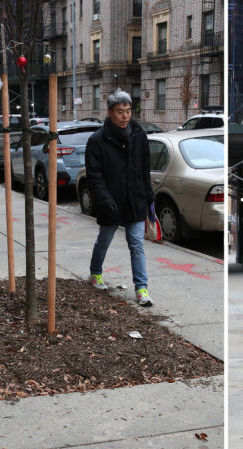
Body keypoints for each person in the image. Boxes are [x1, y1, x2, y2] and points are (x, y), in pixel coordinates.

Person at [85, 89, 155, 306]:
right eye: (120, 112)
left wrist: (149, 198)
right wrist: (106, 201)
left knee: (136, 244)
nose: (125, 116)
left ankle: (141, 289)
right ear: (109, 113)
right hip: (111, 204)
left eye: (128, 111)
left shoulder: (139, 135)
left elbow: (145, 170)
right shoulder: (97, 141)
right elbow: (94, 177)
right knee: (104, 241)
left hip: (134, 201)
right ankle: (95, 272)